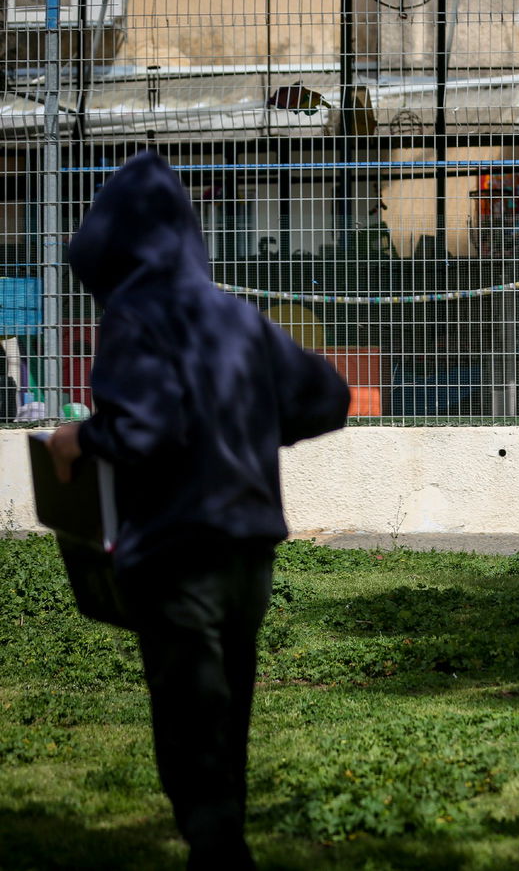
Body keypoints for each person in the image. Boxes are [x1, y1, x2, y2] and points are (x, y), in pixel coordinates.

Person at [45, 151, 350, 870]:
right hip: (251, 555)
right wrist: (245, 424)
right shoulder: (236, 318)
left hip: (177, 554)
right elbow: (327, 397)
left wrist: (76, 438)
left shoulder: (132, 318)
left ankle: (217, 851)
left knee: (188, 723)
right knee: (227, 716)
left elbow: (143, 430)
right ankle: (224, 840)